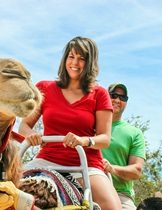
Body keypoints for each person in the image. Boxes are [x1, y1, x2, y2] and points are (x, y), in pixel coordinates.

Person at [19, 36, 122, 210]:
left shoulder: (99, 94)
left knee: (113, 208)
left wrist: (84, 141)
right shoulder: (44, 87)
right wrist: (32, 135)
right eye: (71, 56)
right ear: (65, 59)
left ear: (89, 63)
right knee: (3, 192)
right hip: (46, 159)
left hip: (85, 164)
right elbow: (23, 126)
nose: (75, 62)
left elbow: (105, 139)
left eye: (82, 58)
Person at [102, 83, 146, 210]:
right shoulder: (89, 124)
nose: (117, 100)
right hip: (84, 188)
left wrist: (111, 169)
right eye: (113, 95)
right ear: (105, 97)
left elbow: (136, 171)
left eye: (122, 98)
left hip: (119, 195)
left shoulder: (134, 133)